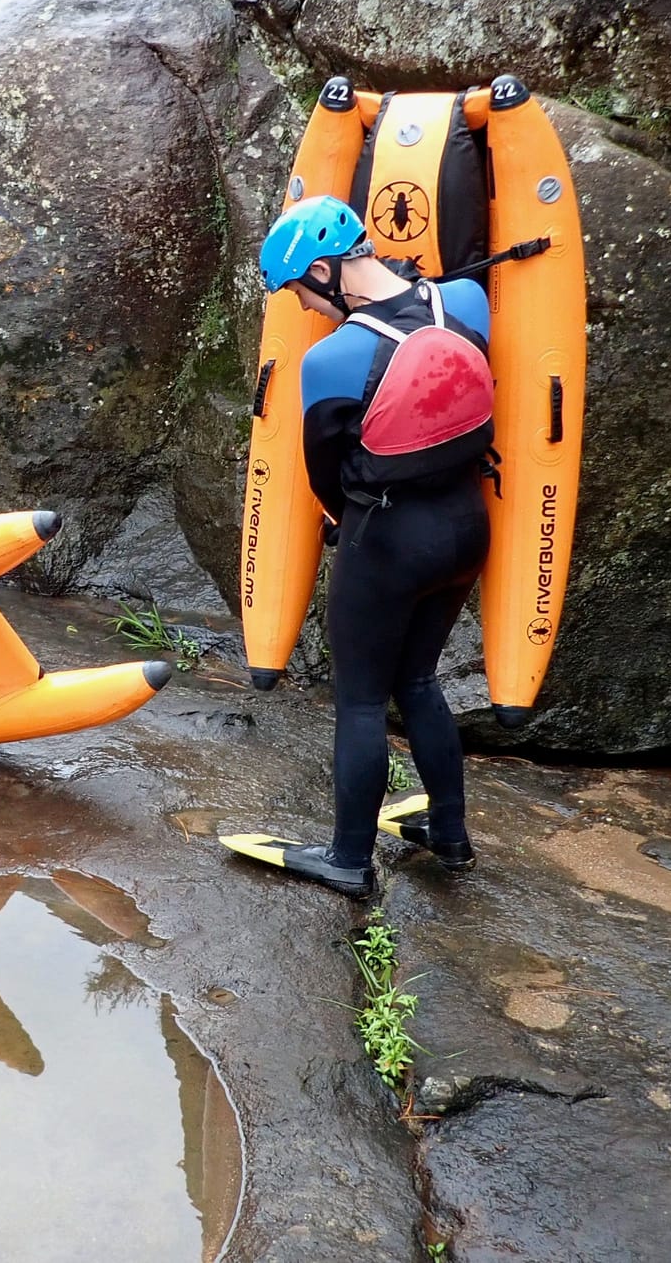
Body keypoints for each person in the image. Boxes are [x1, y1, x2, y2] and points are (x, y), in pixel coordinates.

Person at [252, 194, 495, 896]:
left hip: (388, 539)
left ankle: (349, 860)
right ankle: (449, 833)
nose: (303, 306)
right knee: (418, 680)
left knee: (360, 700)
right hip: (466, 526)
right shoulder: (466, 302)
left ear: (324, 271)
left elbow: (324, 473)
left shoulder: (333, 358)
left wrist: (345, 526)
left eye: (299, 290)